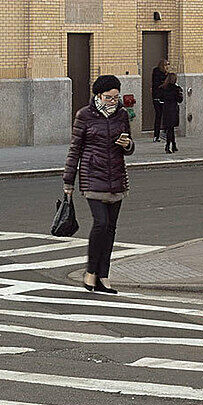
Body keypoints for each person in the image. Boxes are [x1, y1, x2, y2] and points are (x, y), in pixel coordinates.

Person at [63, 74, 134, 294]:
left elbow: (129, 147)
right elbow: (75, 149)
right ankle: (91, 272)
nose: (113, 101)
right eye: (108, 97)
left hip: (117, 177)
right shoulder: (84, 115)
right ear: (98, 95)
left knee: (111, 229)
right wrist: (68, 181)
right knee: (101, 223)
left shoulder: (121, 115)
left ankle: (104, 275)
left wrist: (127, 144)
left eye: (115, 97)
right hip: (93, 176)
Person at [157, 69, 185, 154]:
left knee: (170, 128)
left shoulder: (163, 88)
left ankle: (173, 145)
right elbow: (180, 100)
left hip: (166, 109)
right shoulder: (176, 89)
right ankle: (168, 145)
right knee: (171, 128)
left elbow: (160, 98)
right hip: (173, 109)